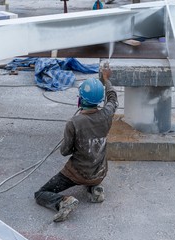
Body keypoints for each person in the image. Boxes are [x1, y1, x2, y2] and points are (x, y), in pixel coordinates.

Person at [34, 65, 118, 222]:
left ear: (81, 99)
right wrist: (106, 80)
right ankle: (95, 189)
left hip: (78, 174)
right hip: (99, 173)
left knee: (40, 193)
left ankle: (63, 201)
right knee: (91, 173)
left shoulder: (74, 123)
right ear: (99, 101)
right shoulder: (107, 114)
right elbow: (113, 98)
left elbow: (65, 151)